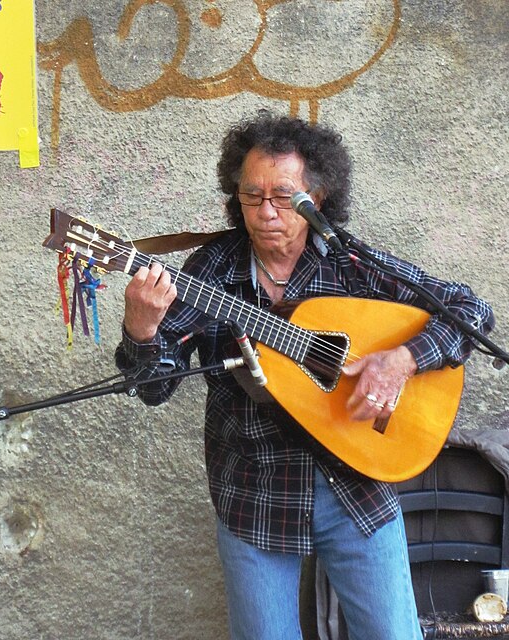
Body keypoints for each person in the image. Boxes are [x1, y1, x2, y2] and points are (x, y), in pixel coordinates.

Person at [115, 112, 494, 640]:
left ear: (316, 197)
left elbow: (469, 311)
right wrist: (141, 329)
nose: (267, 211)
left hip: (356, 486)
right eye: (252, 196)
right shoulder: (211, 272)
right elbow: (153, 388)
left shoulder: (349, 263)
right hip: (255, 492)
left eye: (284, 196)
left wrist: (401, 360)